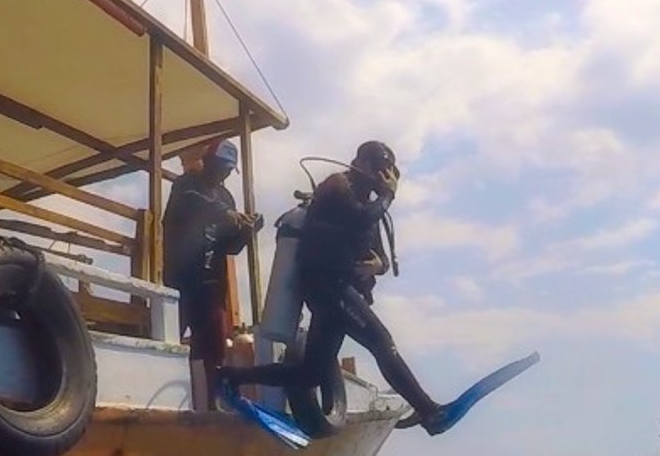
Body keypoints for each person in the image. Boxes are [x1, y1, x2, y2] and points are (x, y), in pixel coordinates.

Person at [222, 140, 451, 434]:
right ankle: (429, 411)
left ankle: (231, 377)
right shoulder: (336, 186)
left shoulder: (368, 201)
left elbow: (376, 248)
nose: (383, 176)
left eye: (389, 172)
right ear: (364, 164)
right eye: (380, 168)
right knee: (382, 342)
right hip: (329, 285)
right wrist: (388, 196)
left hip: (338, 290)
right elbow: (357, 219)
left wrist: (377, 264)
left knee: (310, 374)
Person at [162, 138, 262, 403]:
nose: (225, 173)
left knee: (214, 346)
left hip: (211, 283)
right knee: (169, 336)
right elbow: (189, 205)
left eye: (229, 169)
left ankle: (212, 404)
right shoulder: (186, 184)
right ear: (208, 162)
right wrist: (225, 213)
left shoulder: (226, 196)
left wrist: (247, 232)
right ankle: (164, 396)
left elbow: (230, 247)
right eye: (221, 166)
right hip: (180, 278)